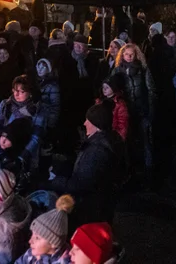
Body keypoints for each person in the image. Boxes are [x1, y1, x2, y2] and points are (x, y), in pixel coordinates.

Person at [49, 103, 126, 229]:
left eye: (88, 120)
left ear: (97, 125)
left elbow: (81, 184)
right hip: (101, 207)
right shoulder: (106, 142)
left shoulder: (97, 151)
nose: (85, 123)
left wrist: (55, 182)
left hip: (90, 210)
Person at [114, 42, 156, 172]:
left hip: (141, 109)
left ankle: (148, 170)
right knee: (127, 141)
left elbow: (151, 90)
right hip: (125, 111)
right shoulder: (118, 70)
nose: (129, 57)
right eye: (126, 54)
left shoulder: (143, 70)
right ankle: (129, 168)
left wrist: (151, 110)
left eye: (131, 54)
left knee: (145, 141)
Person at [15, 194, 75, 263]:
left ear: (53, 243)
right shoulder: (33, 251)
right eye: (32, 235)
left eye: (37, 237)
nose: (30, 241)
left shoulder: (64, 261)